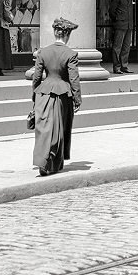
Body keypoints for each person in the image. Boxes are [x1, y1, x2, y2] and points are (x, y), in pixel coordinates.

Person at [31, 16, 82, 176]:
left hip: (43, 92)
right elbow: (74, 78)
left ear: (55, 33)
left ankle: (45, 161)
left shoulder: (43, 52)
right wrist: (77, 98)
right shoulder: (70, 53)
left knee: (43, 128)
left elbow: (37, 77)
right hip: (61, 93)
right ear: (67, 34)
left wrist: (35, 95)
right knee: (58, 128)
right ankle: (51, 163)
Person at [108, 0, 135, 74]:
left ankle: (124, 66)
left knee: (126, 47)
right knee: (117, 47)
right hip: (120, 24)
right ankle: (117, 67)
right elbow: (112, 11)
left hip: (128, 25)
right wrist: (118, 19)